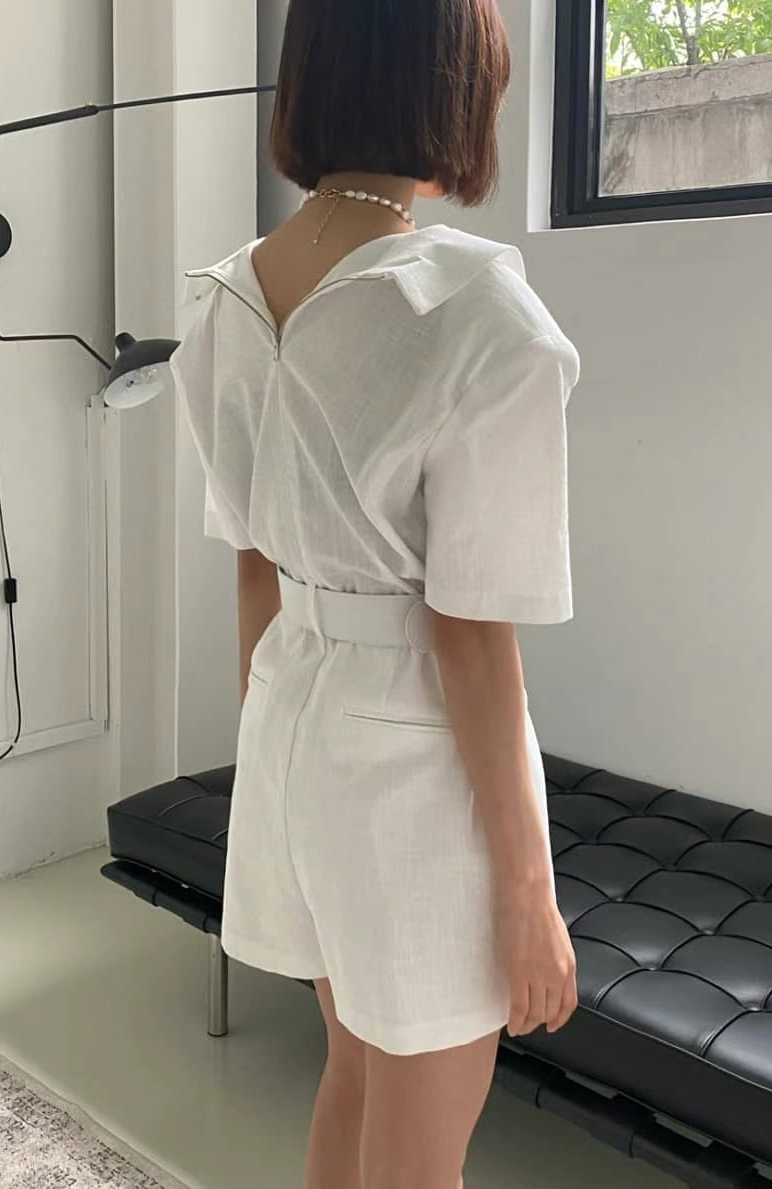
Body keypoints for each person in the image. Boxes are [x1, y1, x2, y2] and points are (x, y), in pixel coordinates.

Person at [169, 1, 580, 1185]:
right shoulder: (478, 316)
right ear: (454, 84)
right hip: (412, 769)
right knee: (419, 1148)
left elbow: (254, 564)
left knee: (352, 1071)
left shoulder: (224, 301)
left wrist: (278, 756)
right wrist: (529, 893)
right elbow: (469, 632)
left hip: (291, 722)